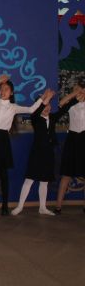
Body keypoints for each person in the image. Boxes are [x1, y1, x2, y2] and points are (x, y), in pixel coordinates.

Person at [0, 74, 51, 216]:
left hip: (2, 139)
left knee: (3, 174)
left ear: (11, 93)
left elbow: (31, 110)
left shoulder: (13, 107)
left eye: (6, 89)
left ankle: (4, 206)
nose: (3, 91)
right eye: (1, 89)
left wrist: (43, 98)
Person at [13, 88, 78, 216]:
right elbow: (37, 110)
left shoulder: (52, 118)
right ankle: (20, 206)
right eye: (44, 105)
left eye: (48, 105)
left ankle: (42, 207)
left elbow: (65, 108)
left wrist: (75, 97)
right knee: (29, 180)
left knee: (44, 181)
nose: (47, 108)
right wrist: (45, 98)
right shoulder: (35, 118)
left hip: (49, 153)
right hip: (37, 153)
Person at [54, 83, 85, 214]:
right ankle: (58, 206)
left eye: (79, 89)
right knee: (66, 174)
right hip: (72, 139)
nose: (77, 91)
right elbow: (61, 103)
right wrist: (74, 94)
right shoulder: (71, 104)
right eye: (74, 90)